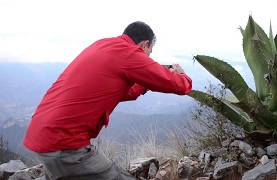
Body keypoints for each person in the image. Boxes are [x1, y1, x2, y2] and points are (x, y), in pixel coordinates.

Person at [23, 21, 192, 180]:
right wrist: (181, 75)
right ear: (145, 45)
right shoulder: (130, 54)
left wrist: (144, 85)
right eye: (150, 52)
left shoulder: (103, 45)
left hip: (41, 133)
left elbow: (121, 92)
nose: (148, 56)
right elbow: (179, 85)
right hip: (64, 144)